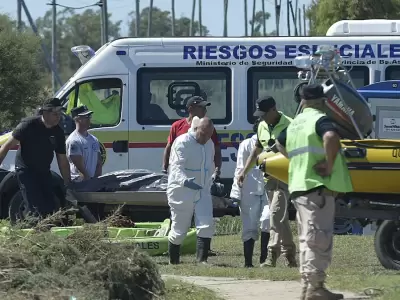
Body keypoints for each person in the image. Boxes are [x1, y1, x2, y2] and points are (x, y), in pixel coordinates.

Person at [275, 84, 353, 300]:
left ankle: (308, 287)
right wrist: (328, 165)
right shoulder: (320, 119)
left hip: (300, 186)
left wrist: (296, 161)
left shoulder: (295, 124)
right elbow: (331, 137)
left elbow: (278, 143)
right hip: (317, 187)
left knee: (307, 237)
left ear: (302, 101)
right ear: (323, 101)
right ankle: (315, 288)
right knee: (318, 237)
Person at [237, 96, 297, 268]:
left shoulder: (290, 124)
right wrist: (244, 172)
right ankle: (290, 256)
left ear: (273, 109)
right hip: (269, 178)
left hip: (285, 177)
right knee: (280, 218)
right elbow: (256, 152)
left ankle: (272, 255)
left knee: (275, 215)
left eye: (264, 113)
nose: (261, 117)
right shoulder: (262, 126)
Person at [0, 98, 71, 219]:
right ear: (45, 113)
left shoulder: (58, 132)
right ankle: (33, 230)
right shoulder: (28, 125)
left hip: (44, 172)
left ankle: (46, 233)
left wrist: (68, 183)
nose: (58, 117)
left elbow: (62, 160)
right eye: (55, 114)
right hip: (26, 171)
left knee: (50, 206)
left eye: (60, 114)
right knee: (35, 207)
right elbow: (6, 146)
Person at [167, 117, 216, 265]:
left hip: (202, 189)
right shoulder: (183, 142)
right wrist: (184, 180)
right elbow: (176, 166)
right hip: (181, 190)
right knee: (180, 227)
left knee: (206, 223)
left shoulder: (209, 144)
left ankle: (202, 260)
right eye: (203, 134)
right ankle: (174, 260)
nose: (206, 138)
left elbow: (210, 165)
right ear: (196, 129)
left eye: (209, 135)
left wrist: (212, 179)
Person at [230, 118, 270, 268]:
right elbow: (240, 169)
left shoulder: (271, 143)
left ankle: (264, 259)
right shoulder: (246, 144)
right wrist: (235, 193)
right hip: (249, 188)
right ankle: (248, 262)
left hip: (268, 187)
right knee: (249, 224)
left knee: (267, 220)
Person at [162, 95, 222, 181]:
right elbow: (169, 148)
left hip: (201, 173)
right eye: (201, 107)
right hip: (181, 173)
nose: (205, 110)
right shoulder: (177, 126)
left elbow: (217, 151)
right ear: (190, 109)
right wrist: (164, 169)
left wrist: (217, 170)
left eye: (205, 107)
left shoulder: (207, 127)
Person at [66, 105, 102, 182]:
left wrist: (97, 180)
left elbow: (98, 162)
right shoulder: (74, 140)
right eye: (86, 117)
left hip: (92, 182)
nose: (89, 119)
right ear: (77, 119)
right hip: (79, 182)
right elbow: (79, 166)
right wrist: (87, 179)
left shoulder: (94, 140)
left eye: (89, 116)